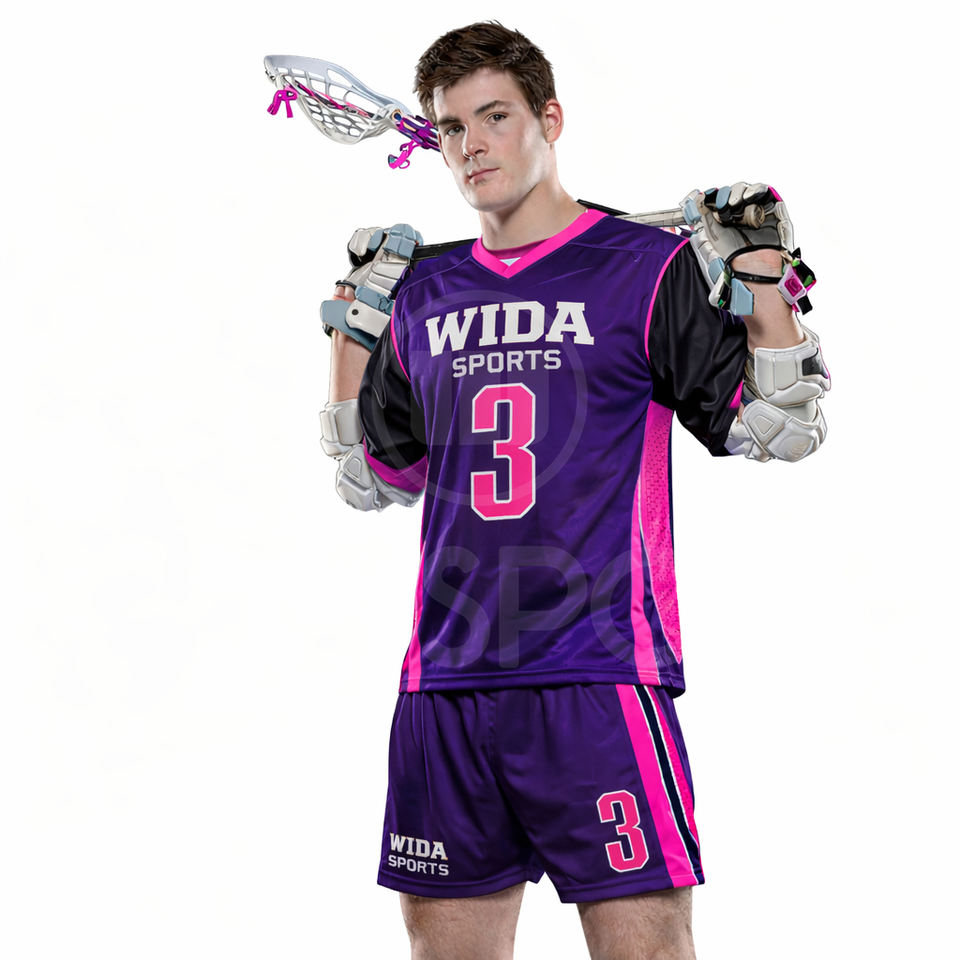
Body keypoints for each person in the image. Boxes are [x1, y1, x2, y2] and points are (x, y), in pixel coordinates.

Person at [319, 21, 829, 960]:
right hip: (447, 680)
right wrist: (354, 329)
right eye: (451, 127)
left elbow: (779, 426)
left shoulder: (645, 269)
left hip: (598, 672)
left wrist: (761, 273)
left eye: (496, 117)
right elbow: (370, 477)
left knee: (647, 949)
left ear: (549, 119)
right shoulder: (423, 292)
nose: (472, 145)